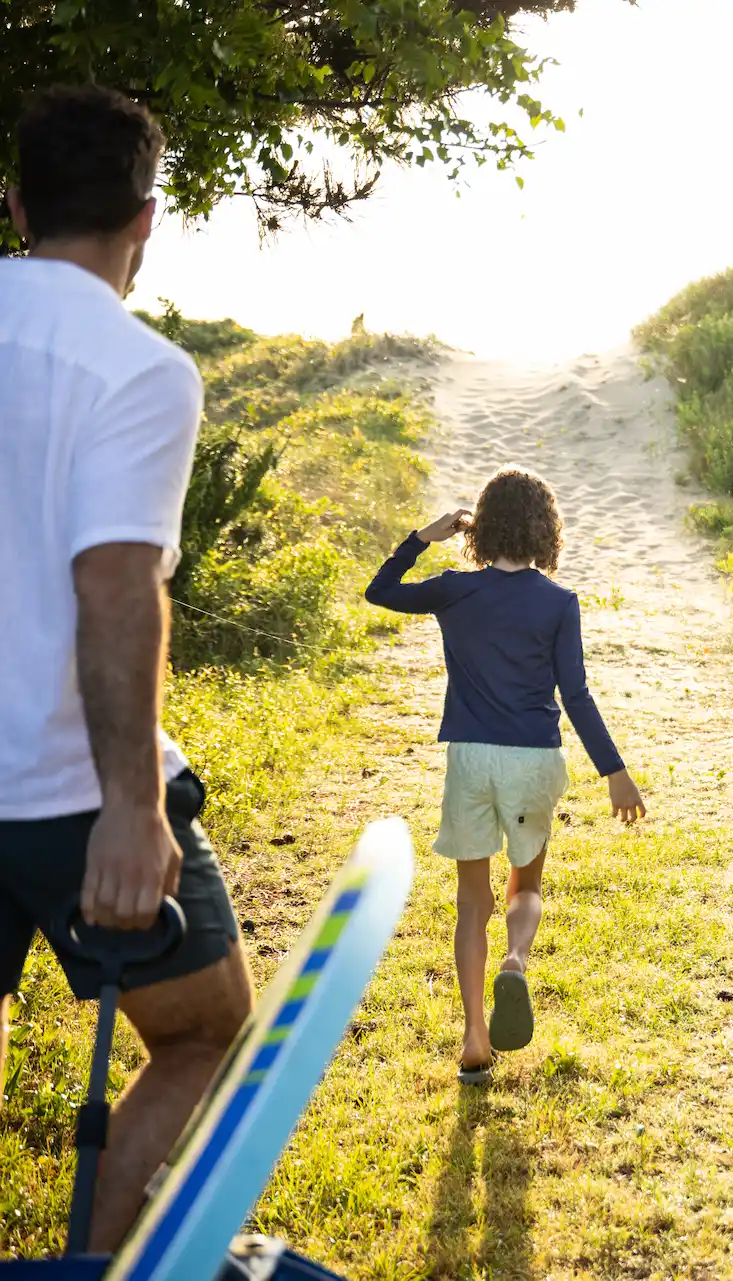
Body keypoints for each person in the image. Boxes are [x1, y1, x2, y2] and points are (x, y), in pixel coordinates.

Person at [0, 85, 253, 1250]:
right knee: (205, 1028)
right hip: (60, 791)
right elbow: (114, 591)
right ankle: (101, 1267)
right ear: (145, 220)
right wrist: (134, 809)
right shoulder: (140, 369)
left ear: (16, 204)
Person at [364, 468, 645, 1082]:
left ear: (480, 526)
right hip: (533, 760)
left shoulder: (455, 590)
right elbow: (576, 694)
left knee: (472, 902)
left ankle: (473, 1036)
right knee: (526, 887)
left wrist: (420, 538)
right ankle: (515, 960)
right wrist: (614, 772)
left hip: (470, 758)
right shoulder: (558, 602)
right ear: (547, 530)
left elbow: (379, 593)